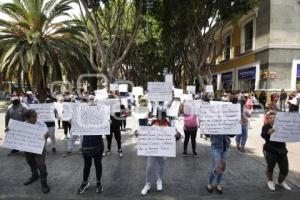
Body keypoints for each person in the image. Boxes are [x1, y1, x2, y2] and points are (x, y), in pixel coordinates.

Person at [8, 109, 51, 193]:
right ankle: (34, 176)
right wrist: (9, 131)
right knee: (31, 163)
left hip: (39, 149)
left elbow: (47, 134)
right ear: (26, 118)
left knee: (41, 165)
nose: (35, 118)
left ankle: (44, 183)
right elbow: (15, 135)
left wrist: (46, 136)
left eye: (36, 116)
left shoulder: (41, 123)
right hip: (27, 149)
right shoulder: (22, 126)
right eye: (33, 117)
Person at [77, 96, 105, 194]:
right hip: (86, 145)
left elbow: (105, 128)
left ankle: (98, 182)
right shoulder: (82, 117)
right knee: (87, 165)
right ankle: (85, 182)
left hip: (97, 144)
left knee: (98, 164)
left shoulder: (101, 117)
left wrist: (107, 122)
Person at [140, 110, 170, 196]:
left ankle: (159, 180)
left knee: (161, 166)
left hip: (163, 150)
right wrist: (138, 133)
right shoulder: (152, 122)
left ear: (165, 117)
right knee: (149, 167)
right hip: (152, 149)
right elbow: (144, 131)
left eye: (162, 118)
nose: (160, 120)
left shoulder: (169, 124)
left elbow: (177, 134)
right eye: (159, 117)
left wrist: (177, 135)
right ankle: (147, 184)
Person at [261, 111, 291, 191]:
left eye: (274, 118)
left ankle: (280, 182)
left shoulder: (282, 125)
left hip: (282, 150)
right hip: (270, 150)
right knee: (270, 167)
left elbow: (288, 133)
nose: (273, 119)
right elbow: (263, 135)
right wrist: (268, 132)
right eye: (271, 118)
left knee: (285, 169)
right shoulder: (266, 126)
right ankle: (270, 181)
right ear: (268, 119)